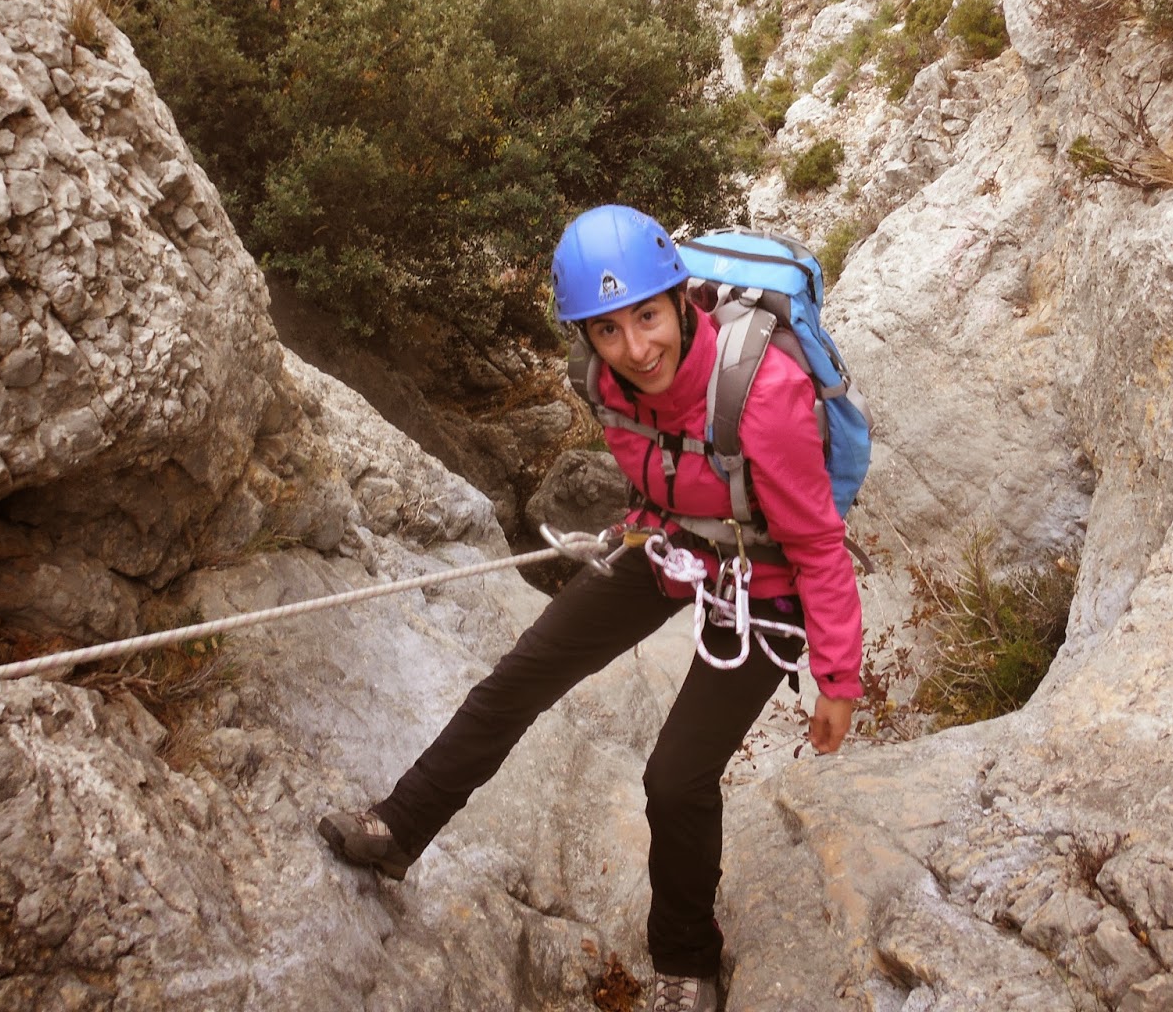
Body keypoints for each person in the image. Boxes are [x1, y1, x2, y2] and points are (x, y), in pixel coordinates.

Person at [319, 204, 864, 1012]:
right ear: (586, 336)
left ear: (680, 300)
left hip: (767, 579)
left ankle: (687, 962)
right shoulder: (602, 382)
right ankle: (398, 828)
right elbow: (658, 474)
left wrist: (839, 679)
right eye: (607, 330)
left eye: (647, 317)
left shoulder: (763, 391)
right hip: (668, 541)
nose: (635, 349)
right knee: (518, 678)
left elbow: (817, 545)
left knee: (674, 779)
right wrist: (642, 524)